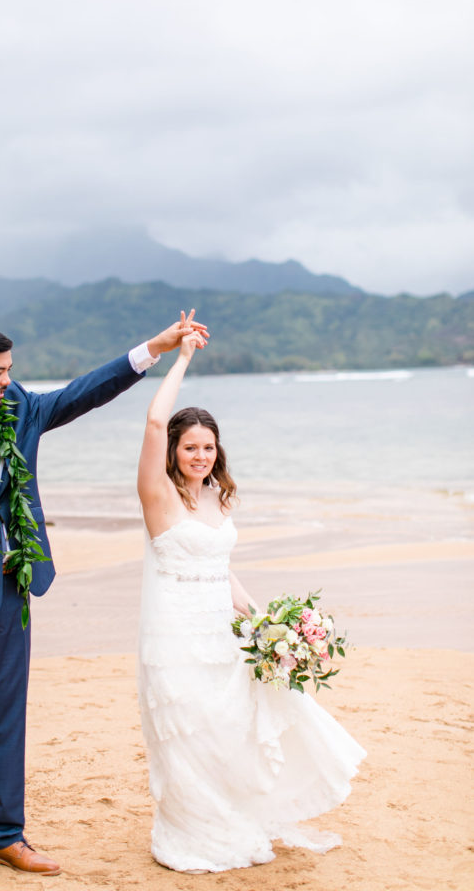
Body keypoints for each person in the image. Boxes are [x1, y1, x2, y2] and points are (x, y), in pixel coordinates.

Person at [0, 312, 207, 891]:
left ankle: (6, 837)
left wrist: (154, 348)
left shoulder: (21, 412)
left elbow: (85, 392)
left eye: (11, 369)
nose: (8, 380)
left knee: (8, 721)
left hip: (14, 592)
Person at [136, 331, 366, 874]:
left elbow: (219, 569)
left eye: (208, 447)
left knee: (230, 728)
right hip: (175, 634)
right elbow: (150, 422)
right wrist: (182, 357)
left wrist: (265, 621)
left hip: (222, 629)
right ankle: (190, 832)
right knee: (189, 730)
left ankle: (232, 817)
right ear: (172, 450)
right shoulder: (159, 495)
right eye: (189, 446)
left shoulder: (215, 496)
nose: (200, 455)